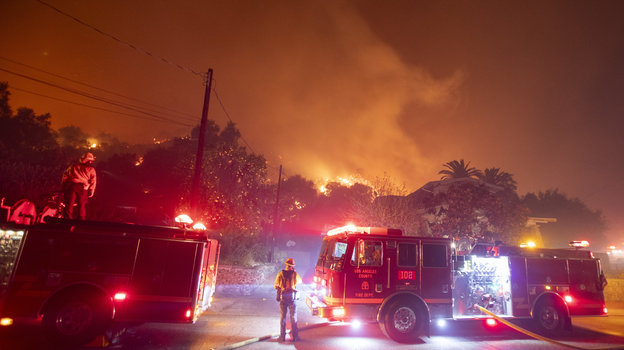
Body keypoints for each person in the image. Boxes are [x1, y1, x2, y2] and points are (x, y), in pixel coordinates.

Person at [62, 152, 97, 220]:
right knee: (81, 206)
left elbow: (65, 176)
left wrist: (64, 187)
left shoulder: (73, 166)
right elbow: (93, 181)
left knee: (69, 205)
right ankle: (81, 222)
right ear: (89, 160)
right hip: (83, 188)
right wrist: (92, 191)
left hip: (72, 187)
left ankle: (67, 222)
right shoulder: (91, 169)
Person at [274, 258, 299, 342]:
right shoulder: (294, 274)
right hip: (292, 298)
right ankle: (295, 337)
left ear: (286, 265)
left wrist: (280, 287)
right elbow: (300, 281)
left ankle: (282, 337)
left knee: (283, 317)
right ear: (292, 266)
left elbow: (276, 285)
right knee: (293, 317)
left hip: (283, 297)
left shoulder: (280, 274)